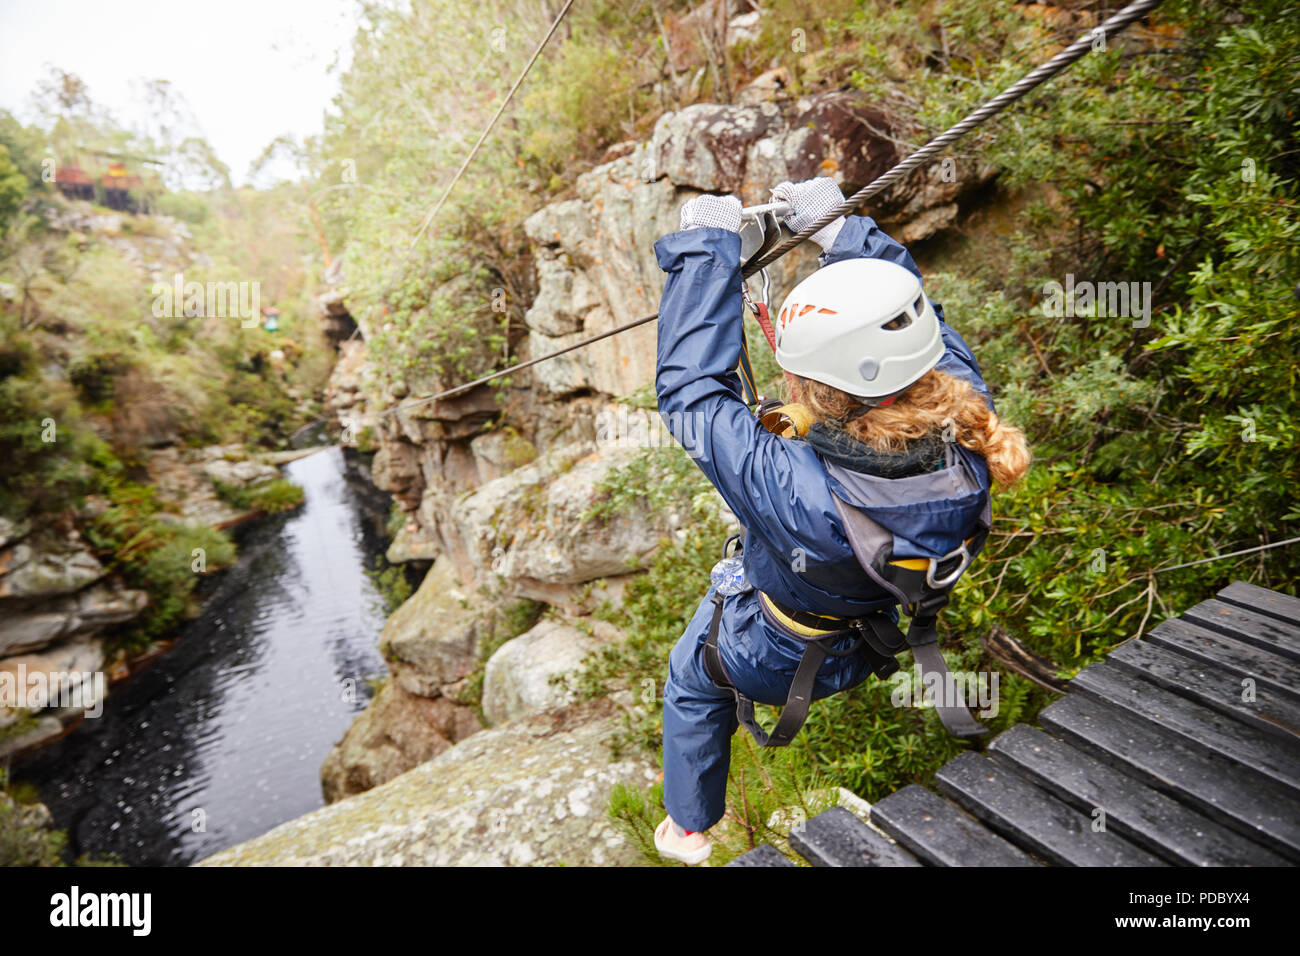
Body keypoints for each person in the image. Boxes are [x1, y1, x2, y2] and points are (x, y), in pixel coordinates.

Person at [651, 177, 1031, 864]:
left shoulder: (797, 491)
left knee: (692, 678)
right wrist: (840, 231)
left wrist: (706, 251)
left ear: (810, 387)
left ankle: (687, 828)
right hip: (875, 635)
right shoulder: (966, 420)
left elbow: (692, 397)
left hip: (774, 655)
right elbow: (914, 329)